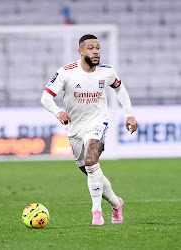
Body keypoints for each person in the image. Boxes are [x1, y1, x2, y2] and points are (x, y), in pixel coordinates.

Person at [41, 34, 138, 225]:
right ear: (81, 51)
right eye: (91, 48)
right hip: (75, 129)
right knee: (91, 170)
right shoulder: (66, 72)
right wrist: (58, 112)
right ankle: (116, 203)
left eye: (98, 48)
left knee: (91, 159)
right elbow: (45, 97)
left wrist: (130, 113)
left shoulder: (107, 72)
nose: (96, 51)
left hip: (97, 122)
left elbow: (120, 88)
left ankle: (96, 212)